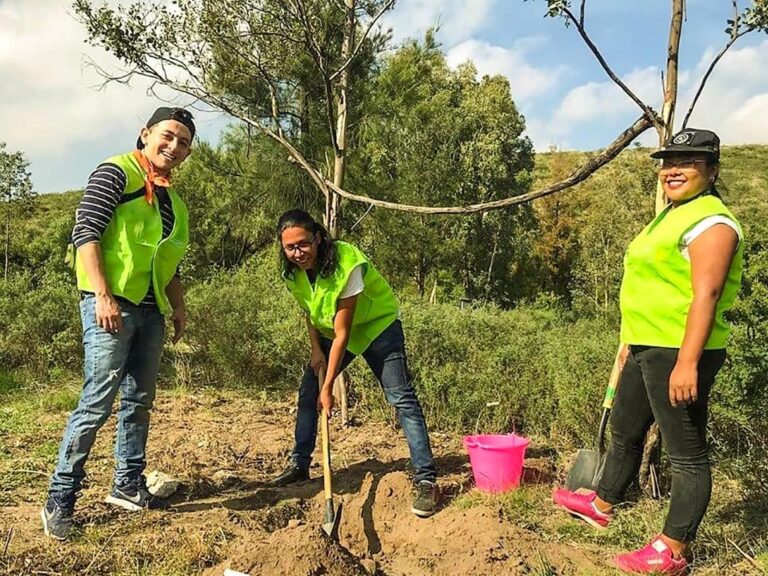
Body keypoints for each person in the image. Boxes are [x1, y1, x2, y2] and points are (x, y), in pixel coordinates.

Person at [553, 129, 743, 574]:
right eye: (667, 160)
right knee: (624, 428)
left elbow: (706, 296)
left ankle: (674, 548)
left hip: (679, 350)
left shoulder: (712, 222)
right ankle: (602, 503)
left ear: (712, 169)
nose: (672, 168)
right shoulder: (674, 214)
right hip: (645, 344)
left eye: (688, 161)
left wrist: (689, 363)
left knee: (686, 453)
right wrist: (629, 341)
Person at [41, 107, 195, 540]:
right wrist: (102, 295)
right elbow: (85, 233)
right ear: (145, 134)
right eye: (168, 136)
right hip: (111, 305)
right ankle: (60, 497)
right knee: (97, 402)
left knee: (139, 401)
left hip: (151, 310)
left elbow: (170, 262)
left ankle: (127, 484)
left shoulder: (172, 201)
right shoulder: (115, 172)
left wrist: (178, 307)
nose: (174, 147)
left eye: (184, 142)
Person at [271, 209, 440, 517]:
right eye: (290, 247)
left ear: (319, 238)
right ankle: (299, 464)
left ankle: (426, 478)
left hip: (377, 328)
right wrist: (314, 350)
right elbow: (309, 310)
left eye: (304, 244)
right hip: (328, 333)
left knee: (401, 398)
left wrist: (329, 387)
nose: (298, 253)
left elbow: (343, 333)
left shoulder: (347, 264)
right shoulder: (292, 272)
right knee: (308, 394)